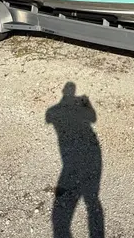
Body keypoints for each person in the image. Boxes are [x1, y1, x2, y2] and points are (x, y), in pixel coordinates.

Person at [45, 82, 104, 238]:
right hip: (90, 153)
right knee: (92, 201)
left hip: (69, 159)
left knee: (83, 203)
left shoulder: (52, 111)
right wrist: (86, 104)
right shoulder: (54, 110)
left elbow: (49, 119)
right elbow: (93, 118)